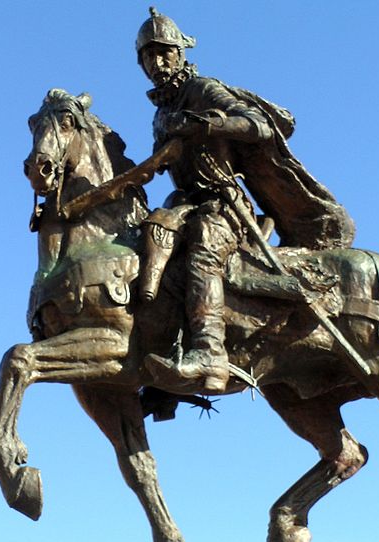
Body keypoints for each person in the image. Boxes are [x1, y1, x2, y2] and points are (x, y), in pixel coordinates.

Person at [137, 8, 356, 393]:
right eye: (147, 57)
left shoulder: (202, 89)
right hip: (185, 203)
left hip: (224, 207)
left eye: (163, 53)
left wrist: (206, 123)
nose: (155, 63)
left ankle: (209, 352)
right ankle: (159, 370)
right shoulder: (161, 113)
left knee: (204, 245)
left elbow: (259, 124)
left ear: (179, 53)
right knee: (145, 245)